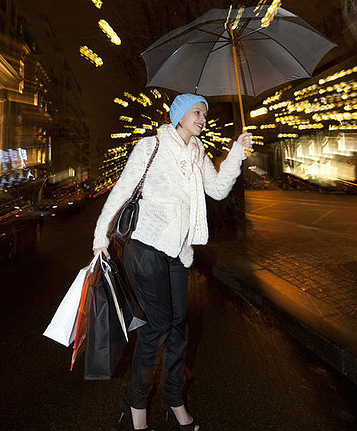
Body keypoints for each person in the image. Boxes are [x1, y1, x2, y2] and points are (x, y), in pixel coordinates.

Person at [93, 93, 252, 431]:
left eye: (205, 114)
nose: (203, 118)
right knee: (158, 325)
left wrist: (237, 151)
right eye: (197, 112)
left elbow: (219, 189)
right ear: (179, 115)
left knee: (180, 326)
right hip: (147, 246)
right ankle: (136, 408)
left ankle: (174, 400)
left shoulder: (198, 153)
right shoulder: (150, 146)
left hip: (179, 251)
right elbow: (122, 190)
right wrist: (100, 236)